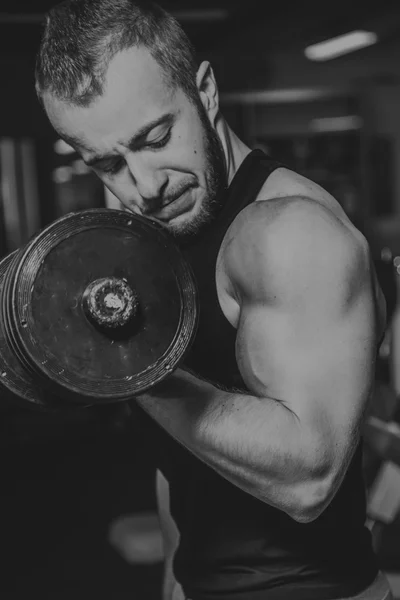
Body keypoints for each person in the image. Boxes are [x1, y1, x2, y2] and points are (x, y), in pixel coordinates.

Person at [35, 1, 392, 599]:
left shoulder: (289, 234)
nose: (144, 186)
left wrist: (126, 368)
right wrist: (175, 578)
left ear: (205, 92)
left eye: (156, 138)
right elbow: (183, 462)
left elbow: (310, 476)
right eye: (109, 163)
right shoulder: (164, 233)